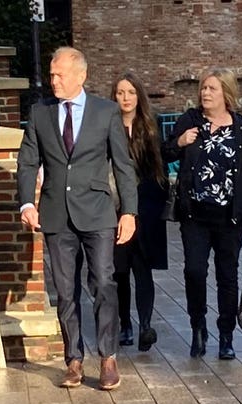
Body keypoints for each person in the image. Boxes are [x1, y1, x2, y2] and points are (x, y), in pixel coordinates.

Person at [17, 47, 138, 390]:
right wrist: (27, 203)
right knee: (65, 290)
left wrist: (129, 211)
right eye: (52, 74)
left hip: (98, 213)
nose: (53, 80)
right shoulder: (40, 113)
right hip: (56, 213)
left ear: (81, 76)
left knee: (103, 282)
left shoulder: (106, 111)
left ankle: (108, 356)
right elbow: (27, 162)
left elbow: (122, 164)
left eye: (60, 75)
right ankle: (73, 359)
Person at [161, 68, 242, 360]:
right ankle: (198, 326)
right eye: (203, 89)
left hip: (230, 217)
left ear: (226, 94)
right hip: (195, 214)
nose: (205, 94)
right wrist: (180, 142)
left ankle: (226, 334)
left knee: (227, 276)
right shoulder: (190, 121)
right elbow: (165, 153)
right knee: (194, 271)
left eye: (212, 89)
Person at [110, 72, 168, 352]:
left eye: (131, 92)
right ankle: (125, 325)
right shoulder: (107, 126)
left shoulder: (150, 125)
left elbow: (160, 160)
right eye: (120, 93)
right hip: (115, 207)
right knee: (120, 271)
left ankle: (145, 325)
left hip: (146, 206)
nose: (126, 98)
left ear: (139, 96)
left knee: (143, 269)